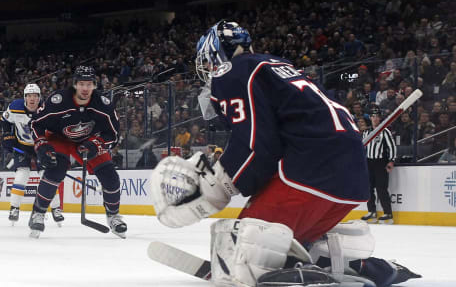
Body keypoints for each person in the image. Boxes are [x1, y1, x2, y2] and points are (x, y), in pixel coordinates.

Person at [150, 21, 419, 287]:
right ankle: (358, 266)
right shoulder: (280, 66)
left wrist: (219, 182)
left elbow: (259, 145)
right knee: (286, 244)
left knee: (240, 247)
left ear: (217, 53)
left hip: (311, 169)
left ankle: (295, 276)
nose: (208, 69)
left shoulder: (231, 71)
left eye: (208, 61)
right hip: (351, 177)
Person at [28, 66, 126, 238]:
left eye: (89, 84)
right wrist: (42, 145)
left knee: (110, 176)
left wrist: (95, 145)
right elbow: (36, 124)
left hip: (87, 141)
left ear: (95, 85)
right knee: (55, 170)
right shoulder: (58, 101)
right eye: (81, 84)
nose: (85, 89)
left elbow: (113, 134)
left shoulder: (103, 104)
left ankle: (113, 216)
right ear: (74, 84)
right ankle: (38, 212)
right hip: (59, 138)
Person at [1, 83, 64, 225]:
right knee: (22, 174)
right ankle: (14, 208)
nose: (32, 99)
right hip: (22, 147)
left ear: (39, 98)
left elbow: (55, 129)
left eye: (35, 96)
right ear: (24, 97)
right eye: (29, 96)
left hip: (41, 146)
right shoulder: (15, 107)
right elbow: (4, 121)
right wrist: (7, 135)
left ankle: (56, 208)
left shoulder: (46, 110)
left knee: (47, 177)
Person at [361, 106, 397, 224]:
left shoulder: (384, 131)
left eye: (377, 117)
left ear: (380, 118)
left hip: (380, 162)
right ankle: (372, 211)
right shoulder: (366, 132)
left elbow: (392, 146)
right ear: (370, 118)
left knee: (381, 188)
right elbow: (362, 147)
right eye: (373, 116)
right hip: (369, 162)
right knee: (369, 188)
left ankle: (388, 213)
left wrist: (391, 161)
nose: (375, 119)